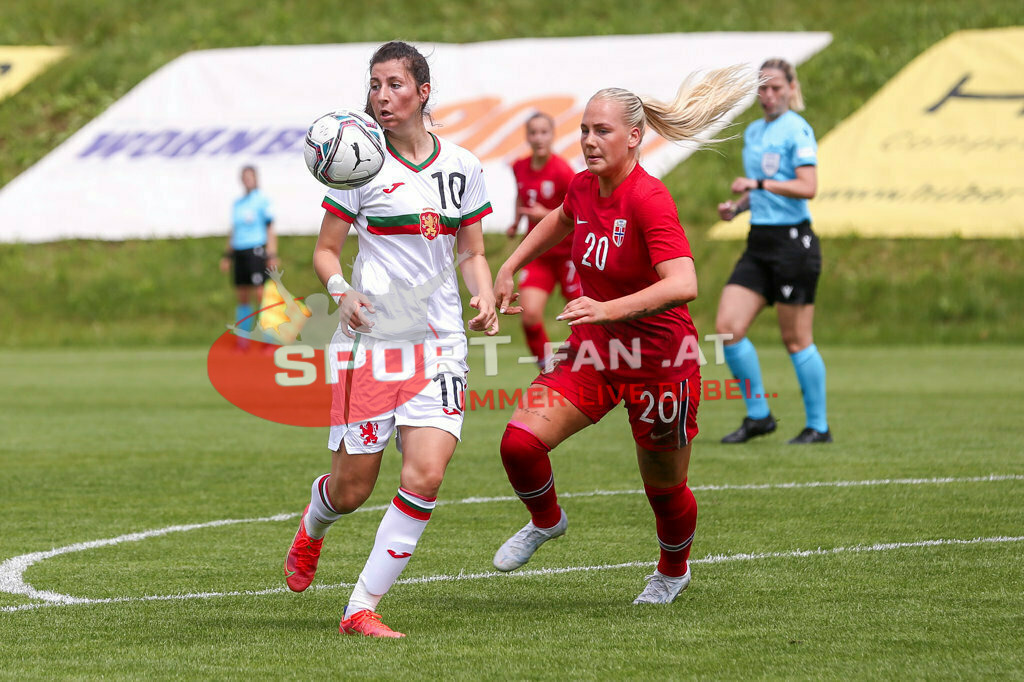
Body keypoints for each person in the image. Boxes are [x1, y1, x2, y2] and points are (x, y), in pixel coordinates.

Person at [490, 66, 756, 604]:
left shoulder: (648, 198)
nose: (589, 140)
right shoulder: (584, 185)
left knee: (664, 489)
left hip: (661, 359)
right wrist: (509, 265)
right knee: (518, 443)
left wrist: (608, 309)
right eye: (585, 129)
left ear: (634, 136)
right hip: (596, 353)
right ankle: (547, 521)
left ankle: (672, 571)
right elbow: (562, 219)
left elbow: (684, 283)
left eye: (602, 131)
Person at [282, 40, 498, 638]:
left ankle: (360, 608)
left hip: (441, 345)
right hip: (372, 344)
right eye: (375, 85)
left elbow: (473, 252)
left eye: (395, 84)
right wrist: (340, 289)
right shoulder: (358, 162)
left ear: (423, 92)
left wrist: (481, 294)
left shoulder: (462, 166)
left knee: (425, 475)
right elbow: (326, 249)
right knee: (352, 490)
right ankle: (315, 523)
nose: (382, 96)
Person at [714, 58, 830, 444]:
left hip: (793, 245)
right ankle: (759, 416)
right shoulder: (753, 133)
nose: (768, 95)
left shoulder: (797, 129)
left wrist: (760, 183)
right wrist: (739, 207)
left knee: (796, 339)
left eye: (776, 87)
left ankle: (818, 426)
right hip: (759, 243)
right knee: (727, 329)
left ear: (791, 87)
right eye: (762, 88)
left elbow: (807, 186)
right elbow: (762, 190)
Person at [506, 113, 580, 366]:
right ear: (527, 136)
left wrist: (545, 215)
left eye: (544, 132)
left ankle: (599, 363)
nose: (538, 138)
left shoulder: (562, 171)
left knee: (582, 316)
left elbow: (579, 211)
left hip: (568, 254)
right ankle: (547, 367)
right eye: (533, 132)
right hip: (538, 254)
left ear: (552, 135)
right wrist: (516, 223)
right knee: (529, 314)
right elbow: (520, 195)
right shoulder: (519, 167)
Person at [220, 165, 278, 331]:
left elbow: (270, 229)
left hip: (256, 250)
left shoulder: (261, 200)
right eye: (245, 178)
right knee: (242, 296)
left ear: (255, 178)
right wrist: (227, 256)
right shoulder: (238, 204)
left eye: (250, 177)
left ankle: (267, 337)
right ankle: (243, 340)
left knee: (261, 295)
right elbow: (234, 230)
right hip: (239, 251)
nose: (247, 181)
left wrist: (272, 254)